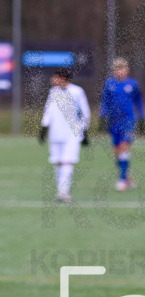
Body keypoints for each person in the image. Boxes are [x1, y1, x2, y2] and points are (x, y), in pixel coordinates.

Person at [39, 67, 90, 202]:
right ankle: (60, 190)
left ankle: (63, 192)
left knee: (67, 161)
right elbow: (48, 111)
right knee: (57, 161)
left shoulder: (77, 91)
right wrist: (44, 128)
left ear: (63, 78)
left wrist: (85, 131)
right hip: (55, 133)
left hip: (72, 134)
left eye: (55, 77)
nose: (52, 80)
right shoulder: (53, 92)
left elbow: (84, 111)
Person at [100, 57, 145, 191]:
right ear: (113, 71)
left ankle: (122, 180)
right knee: (117, 152)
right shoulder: (109, 84)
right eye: (117, 69)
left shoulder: (133, 84)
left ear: (127, 70)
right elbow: (105, 101)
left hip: (128, 120)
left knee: (123, 147)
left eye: (122, 68)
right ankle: (127, 176)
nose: (120, 71)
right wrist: (102, 117)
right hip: (113, 121)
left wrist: (142, 119)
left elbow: (139, 102)